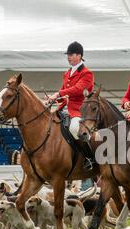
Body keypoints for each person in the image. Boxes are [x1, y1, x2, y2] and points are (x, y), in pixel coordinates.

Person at [46, 41, 95, 170]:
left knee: (74, 128)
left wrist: (58, 94)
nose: (68, 57)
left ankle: (88, 157)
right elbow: (64, 94)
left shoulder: (87, 73)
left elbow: (78, 89)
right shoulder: (67, 73)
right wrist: (52, 101)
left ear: (79, 56)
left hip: (80, 109)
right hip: (65, 108)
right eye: (68, 54)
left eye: (71, 54)